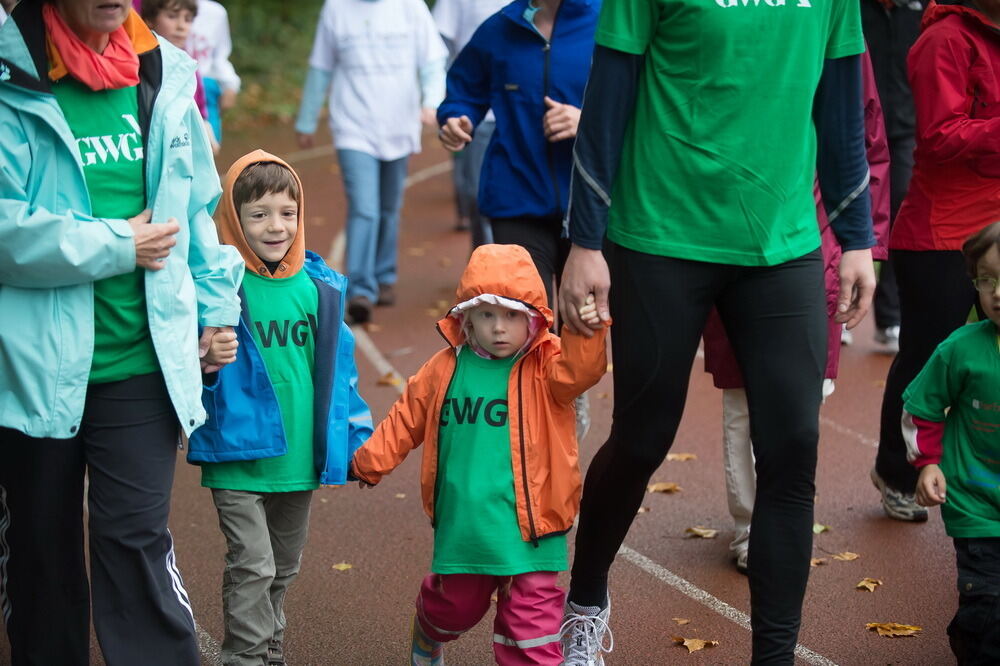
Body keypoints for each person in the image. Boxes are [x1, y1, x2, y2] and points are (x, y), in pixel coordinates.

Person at [556, 1, 878, 663]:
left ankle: (774, 654)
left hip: (781, 242)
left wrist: (858, 239)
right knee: (643, 439)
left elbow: (842, 110)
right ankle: (586, 599)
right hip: (660, 235)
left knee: (792, 449)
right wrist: (585, 241)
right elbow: (608, 96)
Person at [0, 1, 244, 664]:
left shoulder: (164, 70)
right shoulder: (10, 71)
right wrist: (114, 243)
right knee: (42, 551)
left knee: (134, 538)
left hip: (142, 358)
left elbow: (194, 204)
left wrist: (218, 303)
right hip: (31, 368)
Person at [350, 244, 609, 665]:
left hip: (535, 526)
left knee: (531, 628)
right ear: (465, 318)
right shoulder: (444, 369)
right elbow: (405, 418)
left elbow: (585, 370)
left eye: (512, 315)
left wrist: (589, 327)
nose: (499, 328)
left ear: (534, 319)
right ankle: (428, 631)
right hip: (467, 523)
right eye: (486, 315)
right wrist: (369, 460)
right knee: (454, 608)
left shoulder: (548, 366)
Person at [702, 47, 892, 574]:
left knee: (804, 397)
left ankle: (780, 517)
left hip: (814, 239)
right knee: (742, 395)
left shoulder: (833, 21)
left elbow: (868, 138)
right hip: (728, 229)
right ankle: (749, 528)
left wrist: (866, 244)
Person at [188, 150, 373, 666]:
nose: (276, 226)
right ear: (233, 218)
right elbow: (175, 351)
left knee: (282, 569)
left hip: (298, 460)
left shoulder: (321, 288)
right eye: (259, 214)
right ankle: (244, 658)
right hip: (238, 456)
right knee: (253, 565)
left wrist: (354, 440)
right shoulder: (218, 287)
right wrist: (203, 356)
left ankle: (270, 651)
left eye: (286, 213)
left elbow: (342, 378)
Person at [873, 0, 1000, 523]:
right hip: (941, 234)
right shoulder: (943, 39)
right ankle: (897, 470)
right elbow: (940, 134)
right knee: (927, 361)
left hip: (994, 228)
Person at [436, 0, 599, 313]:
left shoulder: (607, 23)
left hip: (588, 205)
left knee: (580, 328)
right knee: (526, 322)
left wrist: (587, 122)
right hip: (516, 200)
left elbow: (642, 103)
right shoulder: (500, 28)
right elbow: (463, 91)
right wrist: (456, 117)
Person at [295, 0, 447, 324]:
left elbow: (433, 61)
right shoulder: (336, 9)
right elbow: (320, 68)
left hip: (399, 125)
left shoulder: (411, 8)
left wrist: (432, 101)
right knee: (365, 207)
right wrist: (307, 120)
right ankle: (361, 289)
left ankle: (384, 275)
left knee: (389, 207)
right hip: (353, 125)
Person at [905, 221, 1000, 665]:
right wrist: (928, 463)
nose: (997, 292)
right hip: (976, 503)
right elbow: (921, 406)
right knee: (986, 603)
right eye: (988, 279)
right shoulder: (960, 350)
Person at [858, 0, 927, 353]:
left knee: (897, 211)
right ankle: (834, 307)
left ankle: (889, 317)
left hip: (902, 129)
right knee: (846, 211)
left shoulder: (925, 9)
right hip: (853, 127)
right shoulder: (852, 7)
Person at [432, 0, 507, 247]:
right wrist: (448, 100)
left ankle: (504, 268)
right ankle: (484, 263)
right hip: (475, 116)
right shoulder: (491, 27)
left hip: (523, 115)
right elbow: (439, 43)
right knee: (476, 194)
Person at [140, 0, 217, 153]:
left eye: (188, 19)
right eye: (172, 16)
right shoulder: (141, 63)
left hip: (186, 142)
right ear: (149, 20)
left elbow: (200, 108)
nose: (181, 26)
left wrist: (206, 130)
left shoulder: (188, 64)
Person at [188, 0, 239, 143]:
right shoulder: (161, 4)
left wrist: (230, 85)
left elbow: (220, 56)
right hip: (170, 87)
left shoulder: (216, 13)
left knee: (209, 146)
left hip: (205, 90)